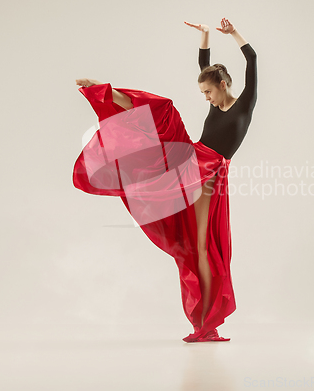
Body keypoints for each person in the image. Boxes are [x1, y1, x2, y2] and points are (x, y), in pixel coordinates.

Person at [73, 18, 257, 342]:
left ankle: (207, 323)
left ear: (224, 84)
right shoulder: (214, 86)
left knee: (201, 247)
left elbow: (252, 60)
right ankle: (107, 93)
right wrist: (204, 35)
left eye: (208, 92)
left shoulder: (244, 106)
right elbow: (204, 64)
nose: (206, 98)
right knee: (163, 111)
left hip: (210, 172)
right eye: (202, 92)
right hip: (193, 157)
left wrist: (234, 35)